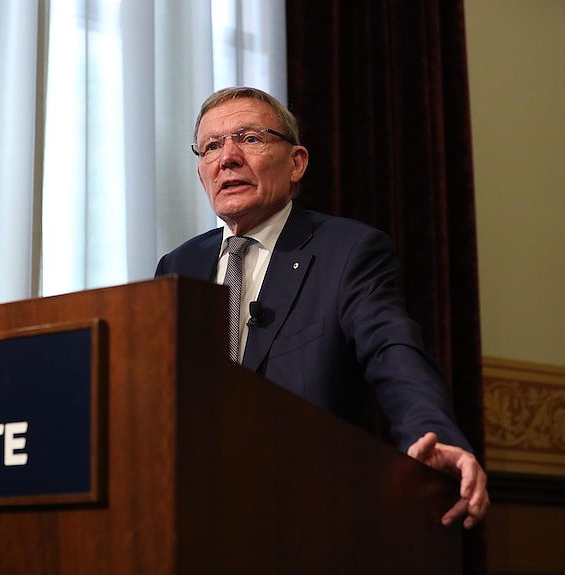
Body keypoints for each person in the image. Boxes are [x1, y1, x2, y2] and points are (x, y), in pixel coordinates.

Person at [155, 86, 489, 529]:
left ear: (297, 163)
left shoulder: (347, 251)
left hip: (309, 513)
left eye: (250, 138)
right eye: (211, 146)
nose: (227, 157)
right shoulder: (177, 266)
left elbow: (392, 350)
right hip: (193, 511)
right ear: (202, 172)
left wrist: (435, 434)